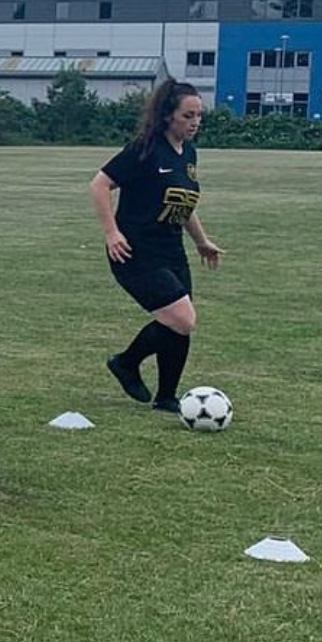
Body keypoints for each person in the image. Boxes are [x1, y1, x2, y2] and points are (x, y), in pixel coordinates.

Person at [89, 78, 225, 412]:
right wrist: (111, 232)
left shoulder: (189, 152)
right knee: (182, 318)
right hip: (135, 251)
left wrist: (201, 241)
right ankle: (126, 362)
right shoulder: (145, 148)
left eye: (199, 116)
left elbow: (183, 204)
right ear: (167, 116)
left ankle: (166, 397)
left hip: (171, 248)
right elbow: (100, 185)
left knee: (179, 325)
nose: (195, 122)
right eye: (188, 116)